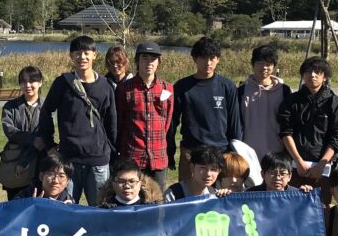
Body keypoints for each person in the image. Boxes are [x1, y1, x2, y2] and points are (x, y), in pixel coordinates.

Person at [38, 35, 117, 205]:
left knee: (100, 210)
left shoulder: (106, 85)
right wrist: (49, 146)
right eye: (77, 53)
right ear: (71, 56)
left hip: (98, 161)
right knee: (64, 209)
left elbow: (112, 123)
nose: (82, 57)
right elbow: (45, 112)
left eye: (87, 52)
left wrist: (112, 153)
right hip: (69, 160)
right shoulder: (62, 83)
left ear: (95, 55)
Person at [167, 37, 242, 181]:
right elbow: (172, 123)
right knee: (189, 198)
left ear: (218, 59)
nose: (208, 63)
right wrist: (170, 151)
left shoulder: (227, 86)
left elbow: (235, 122)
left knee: (221, 197)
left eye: (212, 58)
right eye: (203, 58)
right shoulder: (182, 87)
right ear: (195, 59)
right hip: (191, 152)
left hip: (221, 152)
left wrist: (234, 153)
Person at [276, 56, 338, 202]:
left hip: (324, 168)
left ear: (325, 77)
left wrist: (322, 164)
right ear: (303, 75)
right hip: (295, 167)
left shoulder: (336, 103)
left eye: (317, 72)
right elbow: (285, 132)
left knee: (321, 209)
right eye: (308, 72)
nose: (312, 75)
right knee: (292, 205)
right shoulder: (291, 101)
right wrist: (299, 161)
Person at [116, 41, 174, 188]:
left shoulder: (167, 88)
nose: (149, 62)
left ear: (159, 62)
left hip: (158, 156)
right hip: (132, 156)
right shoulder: (125, 89)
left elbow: (167, 123)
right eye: (145, 58)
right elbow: (119, 123)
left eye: (153, 59)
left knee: (157, 203)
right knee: (131, 201)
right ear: (137, 61)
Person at [0, 65, 49, 200]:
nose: (28, 85)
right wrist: (32, 140)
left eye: (32, 81)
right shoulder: (10, 107)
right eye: (23, 81)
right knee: (15, 203)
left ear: (40, 82)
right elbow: (10, 131)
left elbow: (45, 135)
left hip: (39, 163)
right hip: (15, 162)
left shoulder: (46, 106)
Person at [238, 45, 291, 162]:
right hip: (247, 152)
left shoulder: (284, 90)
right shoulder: (242, 91)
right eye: (260, 63)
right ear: (253, 64)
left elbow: (289, 123)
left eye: (268, 64)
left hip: (277, 151)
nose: (264, 67)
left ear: (274, 66)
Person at [97, 159, 164, 208]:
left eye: (132, 181)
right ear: (113, 184)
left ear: (140, 184)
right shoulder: (104, 208)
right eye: (121, 181)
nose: (127, 186)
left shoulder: (153, 207)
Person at [247, 151, 314, 194]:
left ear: (289, 176)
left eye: (282, 174)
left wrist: (307, 194)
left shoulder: (295, 194)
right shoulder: (251, 194)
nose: (278, 178)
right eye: (272, 173)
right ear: (263, 174)